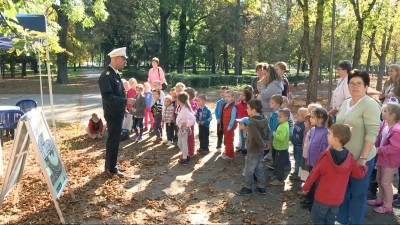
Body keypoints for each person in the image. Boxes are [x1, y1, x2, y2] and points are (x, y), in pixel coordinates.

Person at [336, 69, 381, 225]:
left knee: (358, 194)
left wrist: (363, 158)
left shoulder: (370, 105)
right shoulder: (345, 102)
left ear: (366, 86)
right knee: (342, 191)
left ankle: (355, 222)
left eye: (359, 84)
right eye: (352, 83)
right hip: (343, 157)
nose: (355, 87)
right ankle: (341, 220)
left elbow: (372, 133)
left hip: (361, 158)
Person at [302, 124, 368, 225]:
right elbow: (358, 174)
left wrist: (306, 187)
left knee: (318, 219)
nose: (327, 136)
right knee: (330, 220)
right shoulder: (349, 157)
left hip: (322, 197)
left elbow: (314, 174)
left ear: (336, 139)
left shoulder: (325, 157)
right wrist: (364, 166)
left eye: (329, 134)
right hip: (337, 199)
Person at [98, 47, 134, 178]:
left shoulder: (114, 74)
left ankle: (110, 165)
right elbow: (109, 98)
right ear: (115, 59)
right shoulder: (106, 76)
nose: (125, 62)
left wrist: (123, 107)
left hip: (117, 112)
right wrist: (126, 101)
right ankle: (110, 168)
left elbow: (118, 92)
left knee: (114, 141)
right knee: (113, 141)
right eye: (123, 59)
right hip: (112, 114)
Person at [367, 102, 400, 213]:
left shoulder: (397, 130)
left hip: (390, 161)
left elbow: (395, 148)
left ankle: (387, 205)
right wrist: (374, 145)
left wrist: (379, 150)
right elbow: (379, 138)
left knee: (386, 182)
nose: (382, 113)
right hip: (382, 158)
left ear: (393, 115)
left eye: (385, 111)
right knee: (379, 179)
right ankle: (380, 199)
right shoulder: (385, 124)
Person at [301, 107, 333, 208]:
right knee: (310, 180)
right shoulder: (313, 130)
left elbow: (325, 150)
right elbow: (310, 145)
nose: (310, 119)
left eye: (312, 117)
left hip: (318, 164)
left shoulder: (325, 133)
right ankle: (309, 198)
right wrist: (307, 158)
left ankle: (313, 202)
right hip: (311, 162)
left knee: (316, 183)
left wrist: (321, 163)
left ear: (319, 119)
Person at [236, 99, 268, 195]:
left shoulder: (251, 122)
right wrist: (266, 143)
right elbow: (268, 131)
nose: (247, 110)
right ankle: (261, 187)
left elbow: (256, 136)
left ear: (254, 110)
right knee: (259, 168)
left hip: (253, 149)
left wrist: (262, 145)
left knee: (249, 169)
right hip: (260, 149)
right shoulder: (264, 118)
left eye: (248, 108)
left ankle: (248, 188)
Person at [270, 109, 291, 186]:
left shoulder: (284, 126)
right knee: (276, 163)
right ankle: (276, 176)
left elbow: (281, 138)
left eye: (280, 117)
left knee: (280, 165)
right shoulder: (282, 124)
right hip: (278, 147)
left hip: (281, 149)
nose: (278, 118)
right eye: (278, 116)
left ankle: (280, 179)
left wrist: (274, 134)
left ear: (286, 118)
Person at [176, 92, 196, 164]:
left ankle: (185, 158)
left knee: (184, 143)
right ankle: (185, 154)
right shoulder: (183, 108)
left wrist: (187, 124)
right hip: (181, 129)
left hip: (184, 129)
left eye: (177, 99)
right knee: (179, 143)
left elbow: (193, 119)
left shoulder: (185, 109)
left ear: (180, 100)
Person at [264, 94, 283, 165]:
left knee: (273, 147)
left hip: (274, 134)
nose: (270, 104)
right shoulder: (275, 112)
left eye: (272, 103)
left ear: (278, 105)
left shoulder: (276, 114)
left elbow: (274, 125)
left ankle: (273, 161)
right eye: (270, 102)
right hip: (273, 133)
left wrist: (272, 133)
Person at [290, 108, 308, 180]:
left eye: (299, 115)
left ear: (304, 117)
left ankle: (297, 174)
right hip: (295, 143)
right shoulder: (298, 122)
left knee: (298, 160)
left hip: (299, 145)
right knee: (295, 158)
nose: (296, 116)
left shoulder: (304, 125)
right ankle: (296, 171)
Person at [221, 89, 237, 160]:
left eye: (229, 96)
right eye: (225, 96)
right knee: (226, 140)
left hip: (229, 127)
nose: (227, 98)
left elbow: (233, 118)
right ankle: (227, 152)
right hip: (225, 126)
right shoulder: (225, 105)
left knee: (229, 141)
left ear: (233, 97)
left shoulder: (233, 107)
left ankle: (230, 155)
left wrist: (230, 126)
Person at [235, 89, 252, 154]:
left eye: (243, 95)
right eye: (241, 94)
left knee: (247, 137)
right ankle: (242, 147)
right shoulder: (239, 104)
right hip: (240, 123)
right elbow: (235, 106)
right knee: (241, 135)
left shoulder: (249, 104)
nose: (241, 96)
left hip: (247, 124)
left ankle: (246, 148)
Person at [185, 87, 198, 157]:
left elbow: (193, 113)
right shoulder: (191, 102)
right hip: (186, 123)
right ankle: (188, 151)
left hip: (189, 123)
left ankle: (191, 152)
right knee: (187, 137)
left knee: (190, 137)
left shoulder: (191, 103)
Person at [215, 86, 229, 151]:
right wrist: (218, 117)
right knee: (219, 133)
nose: (222, 93)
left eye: (224, 92)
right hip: (219, 121)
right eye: (221, 92)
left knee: (226, 134)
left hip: (226, 121)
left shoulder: (228, 102)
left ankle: (226, 146)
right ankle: (219, 146)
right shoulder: (219, 102)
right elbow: (216, 110)